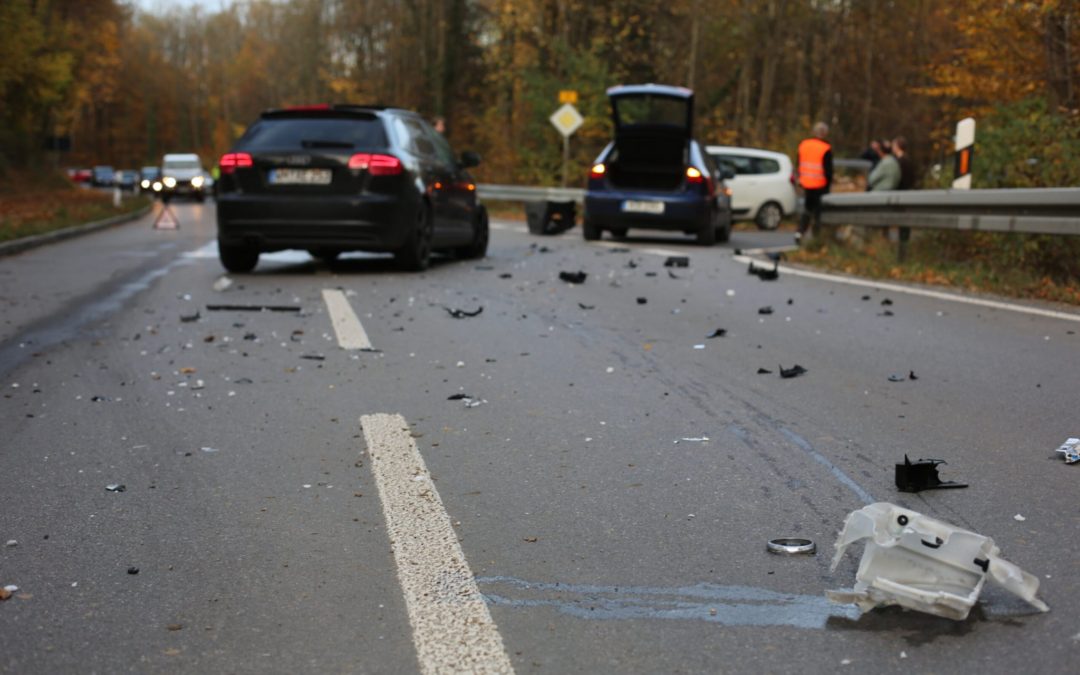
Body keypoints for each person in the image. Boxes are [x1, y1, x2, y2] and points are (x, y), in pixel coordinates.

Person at [796, 121, 833, 243]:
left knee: (807, 209)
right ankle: (816, 237)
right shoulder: (825, 148)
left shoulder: (804, 145)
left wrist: (800, 179)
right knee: (818, 213)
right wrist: (828, 185)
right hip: (820, 185)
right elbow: (828, 170)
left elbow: (799, 163)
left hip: (806, 183)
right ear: (825, 133)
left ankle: (799, 232)